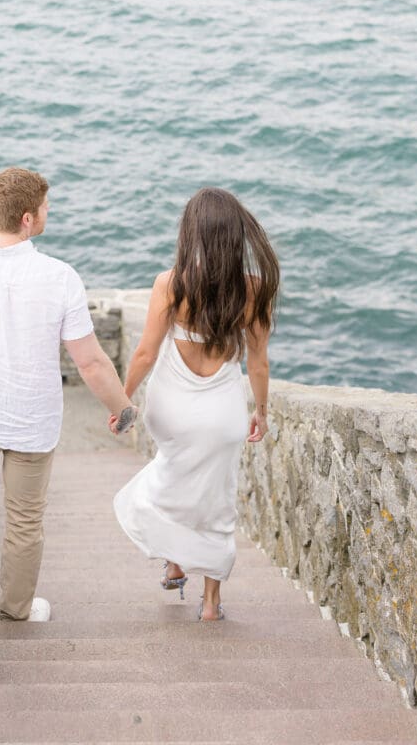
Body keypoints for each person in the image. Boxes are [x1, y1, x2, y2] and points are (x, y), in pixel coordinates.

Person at [0, 167, 137, 622]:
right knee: (25, 516)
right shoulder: (59, 278)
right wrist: (122, 409)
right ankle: (16, 607)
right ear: (29, 219)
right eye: (47, 208)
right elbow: (90, 362)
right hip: (33, 420)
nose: (48, 213)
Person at [112, 187, 279, 621]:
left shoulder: (171, 284)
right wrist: (260, 411)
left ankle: (173, 560)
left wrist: (121, 398)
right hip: (222, 414)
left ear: (192, 235)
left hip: (172, 410)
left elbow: (145, 354)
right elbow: (258, 363)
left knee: (173, 475)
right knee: (216, 498)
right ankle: (210, 604)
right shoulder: (254, 289)